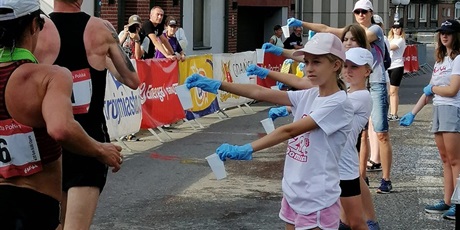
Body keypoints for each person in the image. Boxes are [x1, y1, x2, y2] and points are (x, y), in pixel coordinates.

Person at [187, 32, 353, 230]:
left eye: (316, 62)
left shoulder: (338, 102)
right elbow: (260, 92)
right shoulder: (310, 94)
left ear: (336, 65)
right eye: (307, 62)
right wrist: (218, 85)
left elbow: (289, 131)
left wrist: (247, 148)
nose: (309, 68)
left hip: (318, 197)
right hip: (294, 191)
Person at [0, 0, 124, 229]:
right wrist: (100, 149)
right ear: (34, 26)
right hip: (35, 201)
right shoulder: (49, 77)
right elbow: (60, 128)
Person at [259, 25, 380, 230]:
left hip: (343, 165)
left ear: (367, 71)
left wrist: (287, 103)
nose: (348, 71)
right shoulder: (339, 91)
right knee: (341, 221)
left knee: (356, 222)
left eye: (355, 67)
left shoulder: (357, 97)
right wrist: (288, 104)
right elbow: (309, 76)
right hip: (326, 163)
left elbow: (314, 96)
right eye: (347, 66)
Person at [34, 0, 140, 229]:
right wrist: (103, 59)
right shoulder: (101, 29)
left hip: (51, 144)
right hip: (89, 144)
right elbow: (132, 80)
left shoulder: (38, 31)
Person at [287, 0, 394, 194]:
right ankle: (362, 182)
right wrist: (301, 24)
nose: (360, 14)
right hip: (350, 88)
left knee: (380, 133)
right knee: (357, 143)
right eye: (357, 11)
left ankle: (385, 178)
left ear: (371, 13)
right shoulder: (346, 49)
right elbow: (325, 29)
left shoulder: (375, 30)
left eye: (364, 11)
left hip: (374, 85)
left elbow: (351, 37)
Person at [400, 19, 460, 221]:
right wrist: (413, 113)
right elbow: (428, 92)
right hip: (438, 110)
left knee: (455, 161)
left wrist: (432, 89)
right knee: (445, 160)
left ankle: (458, 203)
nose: (444, 36)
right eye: (442, 32)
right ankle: (448, 201)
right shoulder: (441, 61)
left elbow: (451, 90)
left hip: (453, 110)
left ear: (456, 35)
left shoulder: (458, 59)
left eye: (448, 33)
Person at [387, 21, 406, 121]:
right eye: (394, 27)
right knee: (389, 91)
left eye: (398, 28)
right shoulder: (389, 38)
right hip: (389, 66)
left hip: (397, 66)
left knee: (393, 91)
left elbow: (390, 47)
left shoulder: (400, 40)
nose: (395, 29)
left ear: (401, 29)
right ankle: (390, 112)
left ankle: (394, 113)